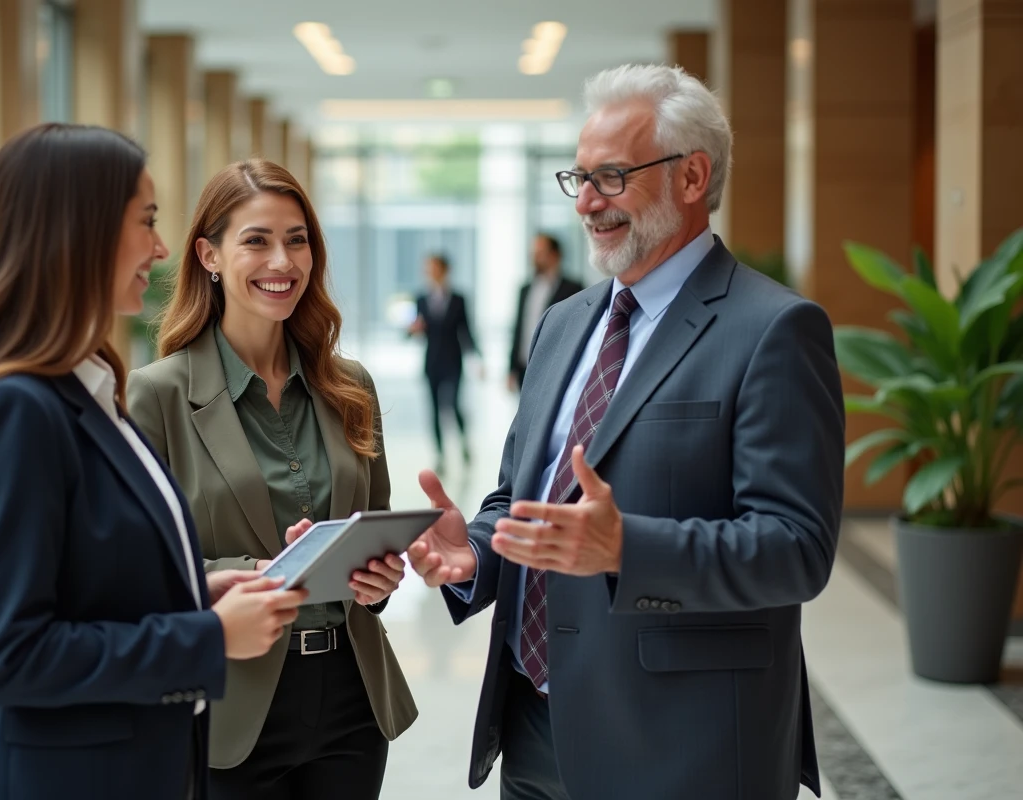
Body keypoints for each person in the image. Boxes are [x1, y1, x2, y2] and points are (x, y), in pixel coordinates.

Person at [407, 63, 845, 800]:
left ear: (693, 175)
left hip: (681, 746)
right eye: (576, 178)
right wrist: (477, 552)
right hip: (533, 729)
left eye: (610, 177)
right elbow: (521, 496)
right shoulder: (561, 324)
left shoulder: (773, 330)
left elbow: (795, 549)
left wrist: (626, 548)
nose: (585, 202)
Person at [0, 124, 306, 800]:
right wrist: (203, 637)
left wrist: (199, 596)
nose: (162, 248)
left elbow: (89, 585)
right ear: (75, 234)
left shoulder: (89, 390)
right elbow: (10, 656)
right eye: (146, 221)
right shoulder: (18, 411)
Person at [127, 159, 418, 800]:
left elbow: (374, 527)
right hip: (229, 700)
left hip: (352, 698)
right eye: (256, 241)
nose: (281, 261)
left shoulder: (350, 387)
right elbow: (135, 577)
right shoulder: (157, 396)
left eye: (297, 239)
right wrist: (256, 575)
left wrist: (380, 579)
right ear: (209, 254)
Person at [408, 253, 480, 473]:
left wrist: (477, 357)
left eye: (434, 268)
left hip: (453, 362)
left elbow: (466, 330)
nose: (430, 272)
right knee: (434, 409)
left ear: (445, 270)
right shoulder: (421, 298)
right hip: (432, 363)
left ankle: (463, 442)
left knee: (453, 405)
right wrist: (413, 331)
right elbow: (414, 330)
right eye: (428, 268)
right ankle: (440, 454)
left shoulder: (458, 298)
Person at [508, 234, 583, 392]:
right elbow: (518, 329)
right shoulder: (525, 289)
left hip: (556, 368)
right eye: (533, 254)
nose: (534, 258)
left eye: (539, 253)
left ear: (555, 255)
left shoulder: (574, 289)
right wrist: (511, 368)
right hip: (525, 367)